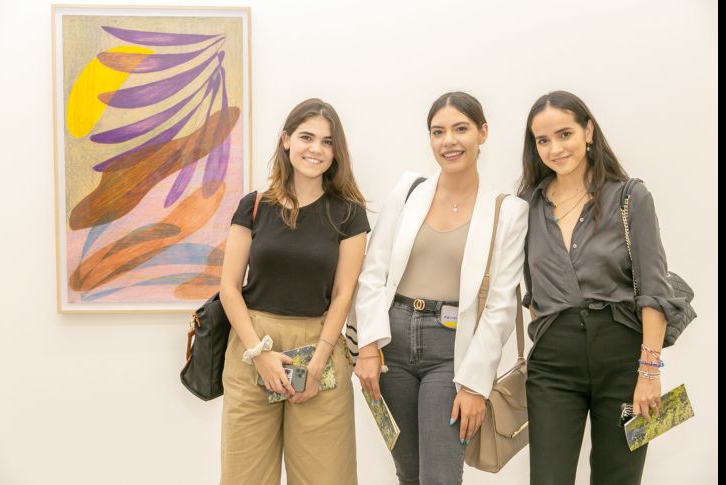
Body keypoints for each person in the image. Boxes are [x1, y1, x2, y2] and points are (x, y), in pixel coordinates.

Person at [353, 91, 528, 485]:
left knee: (441, 478)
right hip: (390, 348)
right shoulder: (408, 190)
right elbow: (372, 271)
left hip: (451, 352)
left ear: (482, 133)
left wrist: (474, 384)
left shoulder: (508, 211)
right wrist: (367, 346)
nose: (449, 140)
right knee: (408, 473)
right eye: (438, 131)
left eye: (461, 129)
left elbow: (500, 306)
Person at [518, 90, 687, 485]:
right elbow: (531, 289)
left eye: (564, 134)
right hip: (552, 367)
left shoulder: (630, 196)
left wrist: (649, 372)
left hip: (624, 362)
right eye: (542, 140)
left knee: (618, 479)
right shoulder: (525, 205)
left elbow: (654, 291)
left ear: (588, 130)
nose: (555, 148)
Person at [218, 98, 369, 485]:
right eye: (306, 137)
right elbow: (229, 288)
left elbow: (343, 293)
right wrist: (260, 354)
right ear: (286, 140)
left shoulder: (349, 213)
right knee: (245, 478)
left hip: (321, 345)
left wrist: (318, 361)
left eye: (327, 141)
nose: (315, 149)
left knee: (326, 477)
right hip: (253, 346)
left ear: (336, 152)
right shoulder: (253, 207)